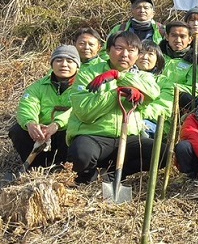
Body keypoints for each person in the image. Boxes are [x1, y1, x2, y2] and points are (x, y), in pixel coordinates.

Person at [66, 30, 160, 184]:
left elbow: (153, 93)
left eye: (131, 51)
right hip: (94, 135)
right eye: (119, 48)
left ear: (137, 55)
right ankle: (89, 177)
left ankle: (113, 175)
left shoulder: (143, 76)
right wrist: (116, 93)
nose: (124, 55)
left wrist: (119, 76)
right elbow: (85, 112)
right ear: (108, 50)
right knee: (80, 155)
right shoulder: (87, 74)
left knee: (160, 153)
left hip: (128, 136)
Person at [8, 44, 80, 172]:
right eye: (58, 60)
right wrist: (31, 123)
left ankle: (62, 167)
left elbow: (78, 109)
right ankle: (36, 168)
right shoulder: (38, 86)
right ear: (52, 64)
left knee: (74, 132)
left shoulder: (84, 85)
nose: (64, 64)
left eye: (70, 61)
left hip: (65, 131)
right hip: (42, 133)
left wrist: (57, 124)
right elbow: (27, 105)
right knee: (17, 131)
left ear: (77, 66)